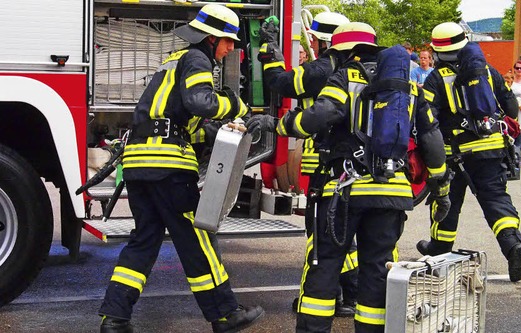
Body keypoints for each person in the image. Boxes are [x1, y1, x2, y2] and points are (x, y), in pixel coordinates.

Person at [247, 22, 449, 332]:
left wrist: (278, 125)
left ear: (344, 51)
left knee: (324, 265)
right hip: (391, 194)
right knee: (377, 272)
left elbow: (320, 115)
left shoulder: (344, 76)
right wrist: (441, 188)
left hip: (344, 190)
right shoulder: (408, 85)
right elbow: (432, 140)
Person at [98, 5, 264, 333]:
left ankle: (114, 319)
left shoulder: (172, 60)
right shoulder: (198, 59)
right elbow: (200, 103)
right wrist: (238, 106)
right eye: (227, 41)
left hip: (139, 164)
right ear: (211, 37)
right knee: (197, 238)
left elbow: (179, 120)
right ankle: (225, 314)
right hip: (168, 169)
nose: (230, 48)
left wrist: (217, 133)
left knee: (144, 240)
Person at [258, 11, 359, 317]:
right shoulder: (353, 70)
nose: (311, 41)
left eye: (314, 37)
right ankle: (351, 294)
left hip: (325, 165)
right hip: (350, 165)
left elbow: (281, 83)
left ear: (324, 40)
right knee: (343, 231)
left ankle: (319, 300)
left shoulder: (321, 69)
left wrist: (269, 50)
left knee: (320, 231)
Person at [415, 22, 521, 283]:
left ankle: (439, 250)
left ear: (436, 51)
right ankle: (512, 246)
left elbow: (427, 118)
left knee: (447, 202)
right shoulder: (487, 71)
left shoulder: (435, 78)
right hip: (491, 150)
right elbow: (510, 108)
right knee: (496, 200)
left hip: (454, 155)